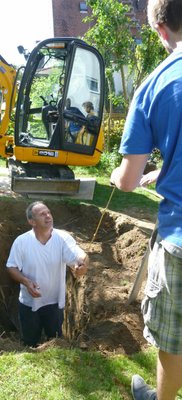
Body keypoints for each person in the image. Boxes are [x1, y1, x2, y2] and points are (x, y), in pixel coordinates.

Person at [110, 1, 182, 399]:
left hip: (180, 235)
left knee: (173, 339)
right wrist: (167, 171)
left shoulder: (155, 85)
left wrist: (117, 175)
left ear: (160, 29)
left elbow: (128, 180)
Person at [6, 201, 89, 347]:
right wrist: (26, 281)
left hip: (54, 304)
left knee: (56, 341)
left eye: (48, 212)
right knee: (30, 343)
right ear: (32, 222)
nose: (48, 216)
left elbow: (79, 254)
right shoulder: (22, 242)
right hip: (29, 303)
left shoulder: (62, 238)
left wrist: (82, 264)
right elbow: (11, 267)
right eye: (42, 214)